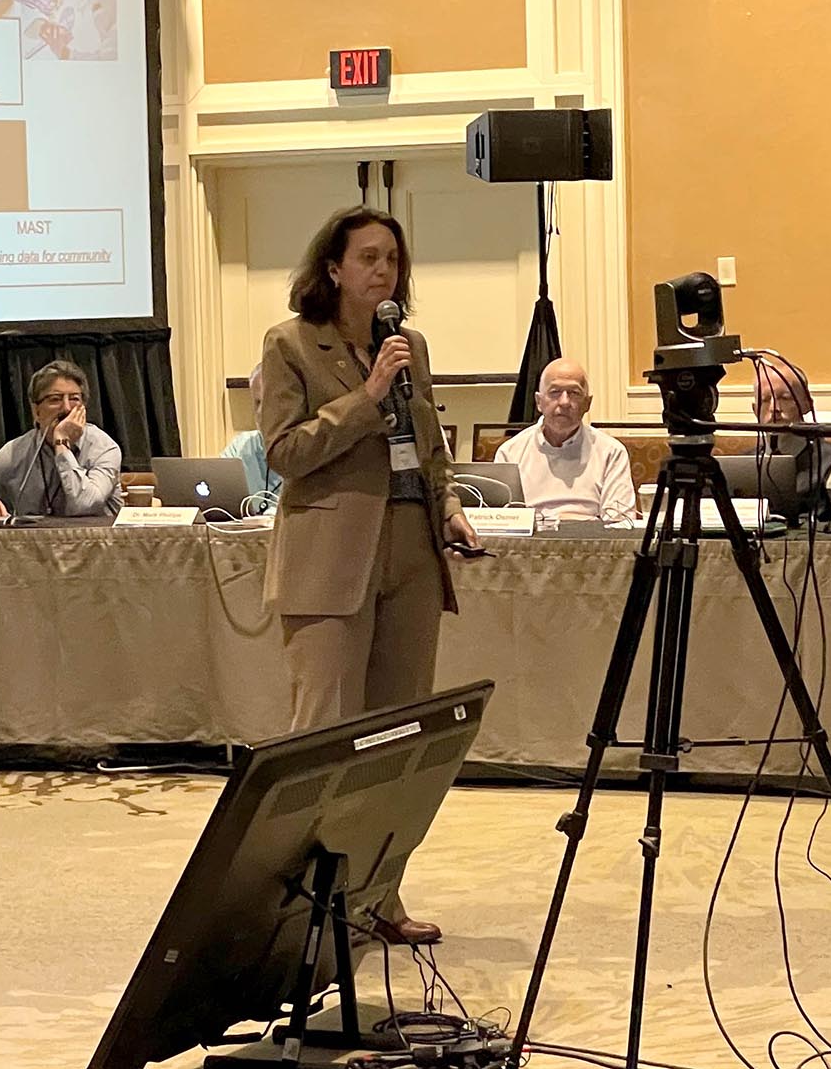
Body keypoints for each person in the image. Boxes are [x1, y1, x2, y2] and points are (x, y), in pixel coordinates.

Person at [260, 207, 475, 947]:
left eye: (393, 260)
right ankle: (298, 910)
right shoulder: (291, 343)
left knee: (399, 737)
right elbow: (286, 452)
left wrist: (447, 501)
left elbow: (429, 439)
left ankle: (379, 894)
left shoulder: (408, 344)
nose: (384, 271)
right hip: (329, 559)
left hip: (411, 550)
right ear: (334, 268)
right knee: (322, 738)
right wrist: (367, 396)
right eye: (370, 258)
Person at [0, 359, 123, 518]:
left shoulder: (104, 448)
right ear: (36, 411)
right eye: (55, 399)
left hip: (98, 550)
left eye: (74, 399)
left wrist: (62, 444)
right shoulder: (16, 451)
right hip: (34, 551)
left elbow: (85, 505)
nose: (67, 408)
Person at [492, 358, 635, 523]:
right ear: (539, 402)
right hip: (530, 545)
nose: (564, 402)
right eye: (555, 392)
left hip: (590, 544)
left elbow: (619, 523)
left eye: (574, 393)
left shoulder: (611, 452)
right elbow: (502, 521)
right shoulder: (510, 453)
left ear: (587, 403)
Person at [752, 359, 831, 527]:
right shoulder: (743, 462)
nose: (774, 408)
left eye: (785, 398)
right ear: (755, 410)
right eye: (765, 399)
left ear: (807, 405)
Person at [220, 362, 280, 513]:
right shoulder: (241, 446)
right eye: (257, 403)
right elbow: (216, 487)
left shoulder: (308, 447)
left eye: (268, 403)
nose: (261, 412)